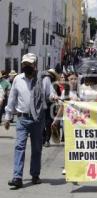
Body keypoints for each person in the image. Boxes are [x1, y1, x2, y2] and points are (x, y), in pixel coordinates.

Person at [4, 53, 57, 189]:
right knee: (19, 146)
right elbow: (12, 99)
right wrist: (8, 117)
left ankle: (35, 174)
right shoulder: (17, 79)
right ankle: (17, 177)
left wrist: (53, 97)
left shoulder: (43, 79)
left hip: (38, 119)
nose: (27, 66)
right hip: (22, 118)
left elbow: (49, 93)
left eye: (30, 64)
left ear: (35, 65)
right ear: (22, 65)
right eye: (25, 64)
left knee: (36, 148)